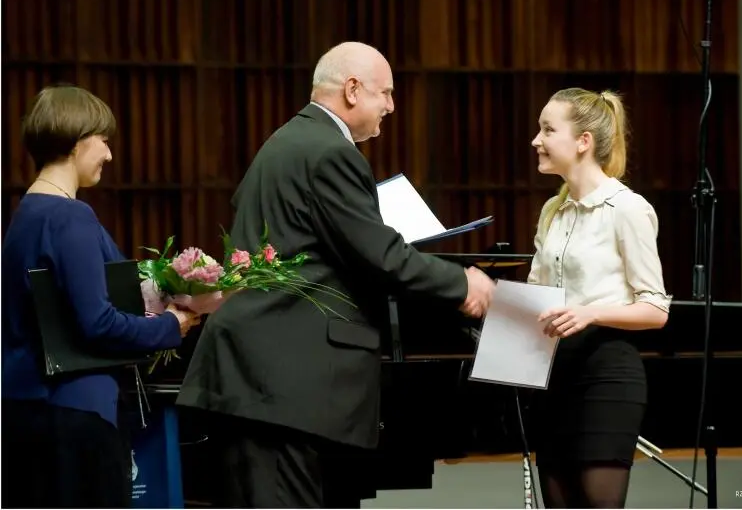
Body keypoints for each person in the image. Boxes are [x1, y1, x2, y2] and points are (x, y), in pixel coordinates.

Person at [176, 41, 496, 508]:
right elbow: (379, 255)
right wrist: (463, 283)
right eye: (385, 93)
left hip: (257, 373)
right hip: (283, 379)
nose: (391, 106)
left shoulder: (285, 141)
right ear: (352, 89)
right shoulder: (331, 153)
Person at [1, 85, 200, 508]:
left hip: (26, 409)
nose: (109, 155)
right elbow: (97, 322)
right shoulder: (70, 216)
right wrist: (172, 325)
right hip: (73, 413)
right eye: (104, 140)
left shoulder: (26, 213)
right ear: (77, 140)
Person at [526, 88, 671, 508]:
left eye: (548, 130)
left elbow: (656, 309)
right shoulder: (552, 211)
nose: (536, 140)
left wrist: (589, 312)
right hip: (554, 375)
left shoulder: (627, 209)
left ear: (583, 141)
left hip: (606, 375)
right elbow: (537, 295)